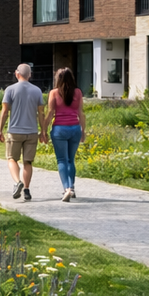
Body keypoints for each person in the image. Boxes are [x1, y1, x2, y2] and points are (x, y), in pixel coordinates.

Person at [0, 63, 46, 202]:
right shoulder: (37, 91)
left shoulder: (10, 89)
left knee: (12, 158)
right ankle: (26, 189)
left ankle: (17, 181)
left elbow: (5, 111)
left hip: (14, 131)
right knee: (28, 162)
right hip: (31, 132)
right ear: (30, 75)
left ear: (16, 73)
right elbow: (41, 113)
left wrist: (0, 130)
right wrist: (43, 131)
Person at [43, 67, 86, 202]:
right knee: (70, 160)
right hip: (74, 128)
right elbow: (81, 113)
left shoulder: (54, 93)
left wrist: (43, 130)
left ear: (58, 79)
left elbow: (50, 113)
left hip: (59, 129)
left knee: (62, 160)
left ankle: (66, 188)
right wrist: (83, 130)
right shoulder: (78, 92)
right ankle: (72, 188)